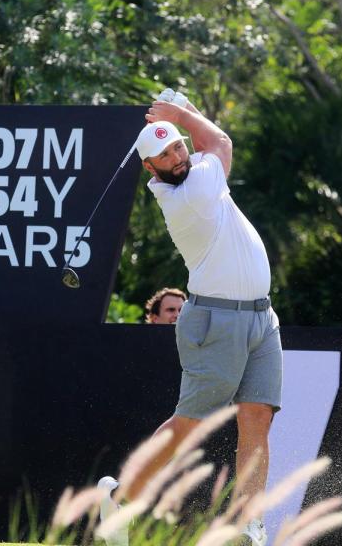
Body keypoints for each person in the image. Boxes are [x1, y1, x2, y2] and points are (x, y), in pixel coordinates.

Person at [100, 96, 282, 546]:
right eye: (164, 154)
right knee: (190, 424)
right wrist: (181, 114)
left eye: (179, 146)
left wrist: (185, 114)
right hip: (216, 320)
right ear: (150, 168)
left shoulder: (199, 176)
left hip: (262, 317)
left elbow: (206, 147)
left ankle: (249, 523)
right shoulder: (190, 195)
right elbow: (220, 142)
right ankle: (119, 501)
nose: (176, 156)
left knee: (258, 417)